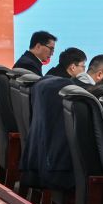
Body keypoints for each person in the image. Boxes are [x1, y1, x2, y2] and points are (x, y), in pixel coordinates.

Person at [20, 47, 88, 194]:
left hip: (44, 158)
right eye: (83, 67)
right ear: (73, 67)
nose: (85, 71)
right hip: (56, 164)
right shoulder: (66, 89)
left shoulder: (50, 79)